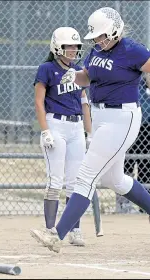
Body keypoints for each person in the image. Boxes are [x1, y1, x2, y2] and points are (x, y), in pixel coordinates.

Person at [30, 7, 150, 253]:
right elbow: (87, 77)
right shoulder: (96, 50)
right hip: (101, 114)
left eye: (102, 36)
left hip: (122, 117)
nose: (98, 41)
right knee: (113, 179)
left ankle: (56, 235)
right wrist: (74, 77)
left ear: (115, 31)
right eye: (95, 37)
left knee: (85, 175)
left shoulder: (131, 50)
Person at [32, 27, 92, 247]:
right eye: (69, 45)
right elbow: (39, 101)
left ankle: (74, 229)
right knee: (55, 181)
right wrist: (45, 129)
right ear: (58, 46)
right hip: (55, 124)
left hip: (76, 128)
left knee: (75, 183)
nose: (73, 50)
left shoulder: (79, 71)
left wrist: (89, 132)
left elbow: (85, 102)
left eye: (76, 46)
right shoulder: (46, 69)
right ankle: (49, 229)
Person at [116, 73, 150, 213]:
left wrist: (147, 76)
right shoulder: (125, 69)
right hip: (129, 121)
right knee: (126, 164)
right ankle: (123, 204)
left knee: (147, 165)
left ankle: (145, 206)